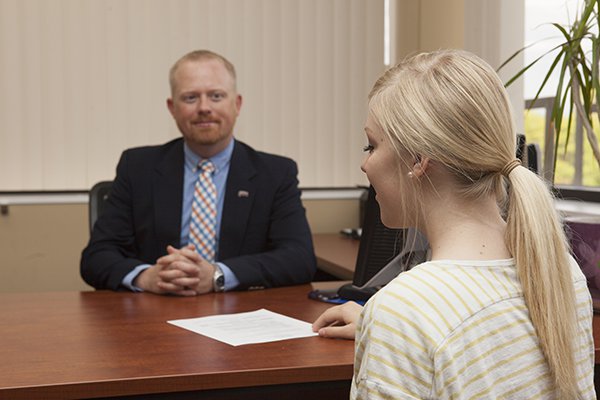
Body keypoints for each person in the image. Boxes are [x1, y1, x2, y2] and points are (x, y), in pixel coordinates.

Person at [312, 49, 596, 399]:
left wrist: (394, 330)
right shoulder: (561, 272)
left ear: (417, 160)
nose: (364, 164)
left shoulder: (404, 312)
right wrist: (389, 334)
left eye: (371, 146)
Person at [81, 50, 316, 296]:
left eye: (216, 96)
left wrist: (217, 275)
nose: (204, 108)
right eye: (190, 98)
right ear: (172, 108)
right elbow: (96, 257)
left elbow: (299, 258)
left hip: (240, 313)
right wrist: (147, 277)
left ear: (237, 104)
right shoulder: (137, 167)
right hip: (156, 309)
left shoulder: (275, 174)